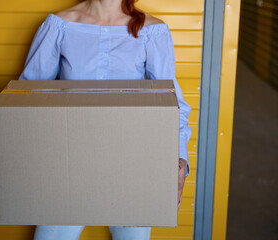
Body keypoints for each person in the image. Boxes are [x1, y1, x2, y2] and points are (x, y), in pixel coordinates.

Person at [18, 0, 193, 239]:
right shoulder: (59, 25)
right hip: (70, 160)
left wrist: (179, 160)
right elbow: (30, 97)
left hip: (133, 161)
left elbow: (172, 104)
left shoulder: (153, 30)